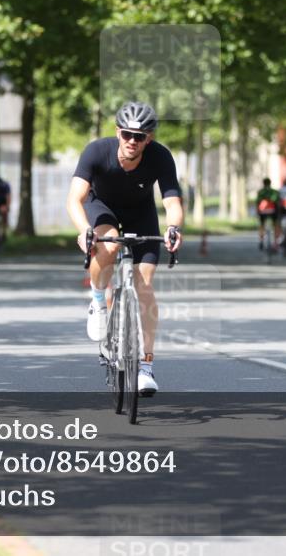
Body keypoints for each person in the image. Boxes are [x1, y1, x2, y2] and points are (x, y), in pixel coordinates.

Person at [66, 101, 184, 397]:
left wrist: (173, 228)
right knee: (108, 244)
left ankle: (146, 367)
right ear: (118, 132)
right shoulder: (97, 151)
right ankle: (98, 300)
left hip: (141, 213)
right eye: (127, 134)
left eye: (139, 137)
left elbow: (172, 202)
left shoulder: (160, 156)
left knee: (144, 284)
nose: (132, 141)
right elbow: (75, 198)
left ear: (149, 139)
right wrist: (84, 230)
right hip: (101, 207)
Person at [255, 177, 280, 250]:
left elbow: (258, 202)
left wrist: (257, 211)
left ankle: (261, 240)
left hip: (263, 212)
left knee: (261, 225)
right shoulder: (274, 191)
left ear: (263, 183)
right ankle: (276, 242)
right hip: (273, 211)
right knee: (276, 225)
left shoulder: (260, 192)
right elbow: (277, 202)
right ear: (270, 183)